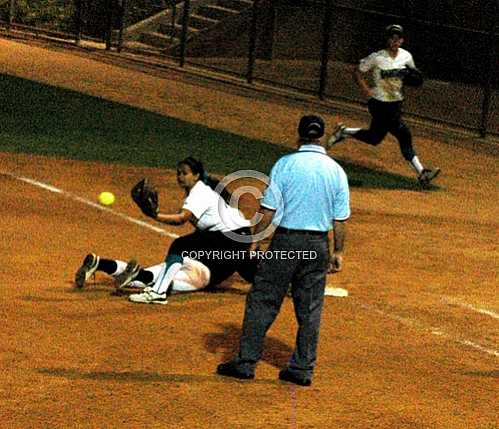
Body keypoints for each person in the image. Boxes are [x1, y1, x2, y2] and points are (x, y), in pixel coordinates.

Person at [216, 114, 351, 386]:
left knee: (263, 300)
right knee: (310, 309)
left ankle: (245, 363)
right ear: (321, 136)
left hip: (286, 244)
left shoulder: (285, 165)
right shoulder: (336, 170)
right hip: (317, 246)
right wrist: (338, 252)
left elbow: (269, 210)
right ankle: (302, 370)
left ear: (299, 135)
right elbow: (340, 219)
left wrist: (256, 240)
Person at [115, 156, 255, 304]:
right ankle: (273, 283)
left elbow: (181, 219)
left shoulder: (198, 192)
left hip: (229, 237)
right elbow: (203, 228)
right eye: (178, 173)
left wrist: (155, 215)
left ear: (196, 176)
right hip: (239, 236)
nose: (180, 177)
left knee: (180, 245)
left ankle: (158, 292)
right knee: (252, 272)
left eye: (185, 173)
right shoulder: (203, 191)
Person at [327, 24, 440, 187]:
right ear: (387, 40)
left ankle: (344, 132)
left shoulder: (407, 56)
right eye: (391, 38)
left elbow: (415, 75)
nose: (395, 41)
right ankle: (422, 173)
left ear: (402, 40)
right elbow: (357, 71)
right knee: (404, 134)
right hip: (378, 103)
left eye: (398, 38)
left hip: (396, 103)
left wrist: (413, 77)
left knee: (374, 138)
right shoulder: (377, 57)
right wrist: (366, 89)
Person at [74, 253, 212, 296]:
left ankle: (100, 263)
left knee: (146, 276)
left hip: (182, 258)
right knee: (158, 283)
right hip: (202, 273)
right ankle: (137, 275)